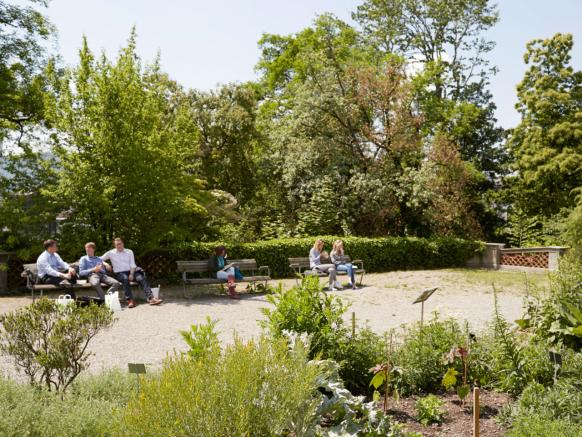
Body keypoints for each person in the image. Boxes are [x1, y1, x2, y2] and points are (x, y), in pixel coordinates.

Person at [101, 237, 162, 308]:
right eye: (117, 244)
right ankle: (130, 300)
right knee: (125, 278)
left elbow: (132, 264)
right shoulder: (111, 253)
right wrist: (106, 264)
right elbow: (98, 259)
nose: (119, 246)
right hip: (119, 273)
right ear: (115, 245)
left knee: (141, 278)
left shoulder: (129, 252)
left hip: (131, 271)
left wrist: (131, 274)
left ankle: (151, 298)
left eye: (120, 244)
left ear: (123, 244)